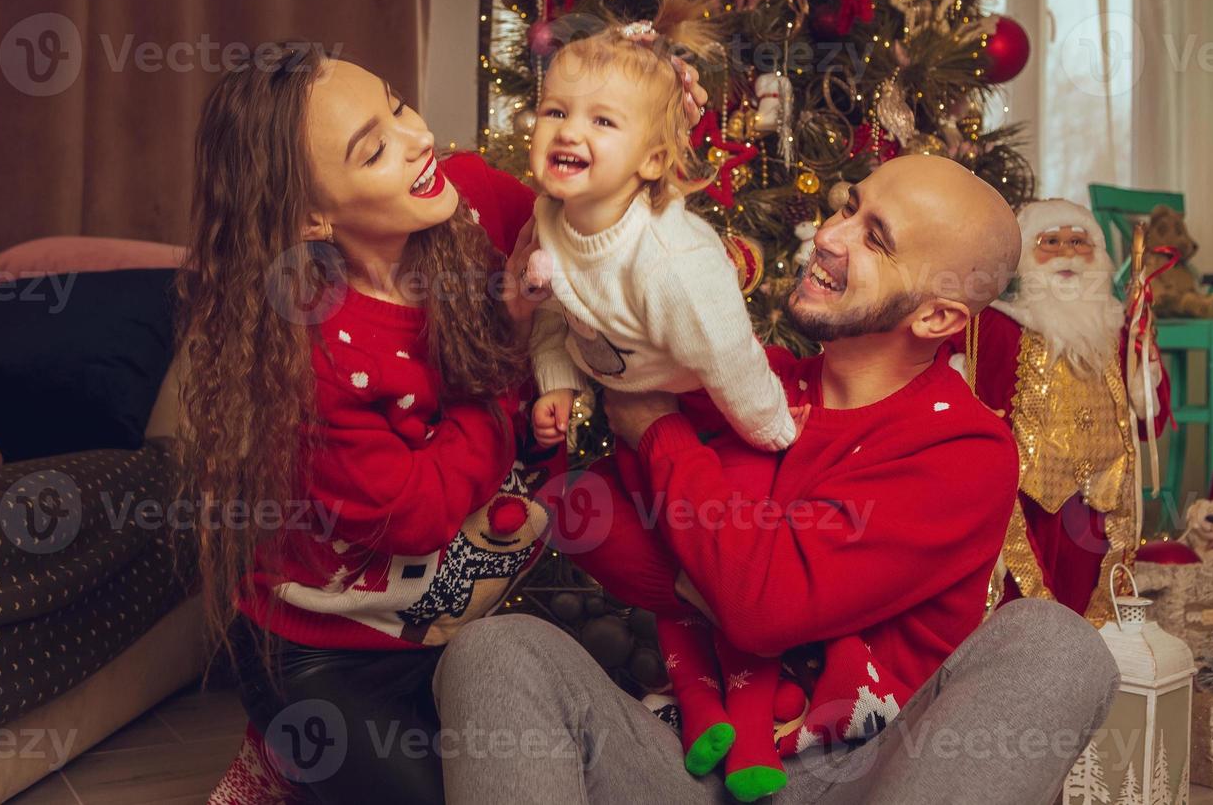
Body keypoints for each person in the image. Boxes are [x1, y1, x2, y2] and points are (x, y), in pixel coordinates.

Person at [433, 156, 1123, 804]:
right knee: (497, 651)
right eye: (848, 208)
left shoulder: (963, 445)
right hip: (690, 758)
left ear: (936, 317)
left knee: (1056, 644)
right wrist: (724, 581)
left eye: (874, 239)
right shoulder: (751, 387)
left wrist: (659, 432)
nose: (828, 235)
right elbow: (582, 511)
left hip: (860, 773)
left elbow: (765, 611)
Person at [178, 43, 562, 805]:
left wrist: (650, 119)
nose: (420, 138)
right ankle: (276, 760)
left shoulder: (472, 197)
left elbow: (590, 208)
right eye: (375, 148)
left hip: (460, 616)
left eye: (397, 104)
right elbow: (418, 514)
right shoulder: (309, 352)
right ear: (313, 215)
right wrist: (510, 344)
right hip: (327, 657)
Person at [520, 0, 807, 799]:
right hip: (636, 414)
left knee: (720, 551)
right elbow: (557, 322)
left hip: (725, 412)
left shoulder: (671, 262)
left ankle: (759, 723)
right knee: (617, 534)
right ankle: (696, 694)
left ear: (651, 160)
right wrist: (556, 385)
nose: (569, 130)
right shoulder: (548, 219)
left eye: (601, 121)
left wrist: (779, 443)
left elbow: (729, 357)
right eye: (555, 112)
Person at [947, 198, 1170, 626]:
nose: (1067, 253)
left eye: (1078, 242)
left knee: (1094, 607)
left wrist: (1147, 374)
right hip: (1023, 505)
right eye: (1051, 241)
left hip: (1100, 506)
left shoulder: (1117, 328)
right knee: (1020, 615)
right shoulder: (993, 325)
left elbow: (1148, 421)